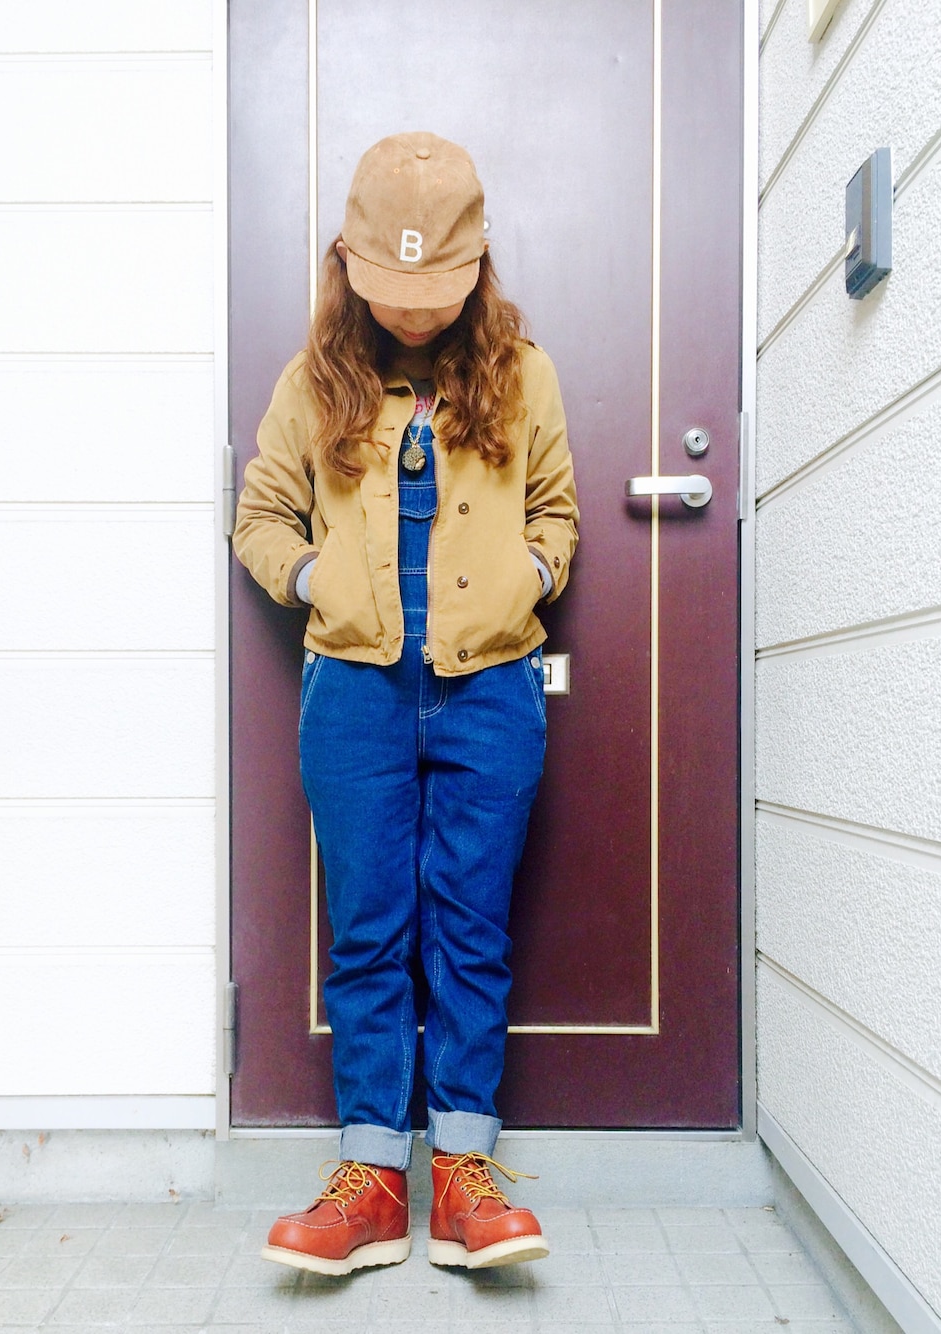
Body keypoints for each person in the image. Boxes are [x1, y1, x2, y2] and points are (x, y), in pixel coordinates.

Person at [233, 131, 578, 1278]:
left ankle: (465, 1170)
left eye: (441, 289)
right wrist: (310, 577)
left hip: (490, 689)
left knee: (471, 928)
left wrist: (530, 575)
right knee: (369, 929)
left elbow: (557, 513)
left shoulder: (524, 374)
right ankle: (374, 1178)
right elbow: (259, 518)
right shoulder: (310, 382)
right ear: (349, 265)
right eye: (394, 288)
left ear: (476, 266)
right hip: (354, 689)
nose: (419, 312)